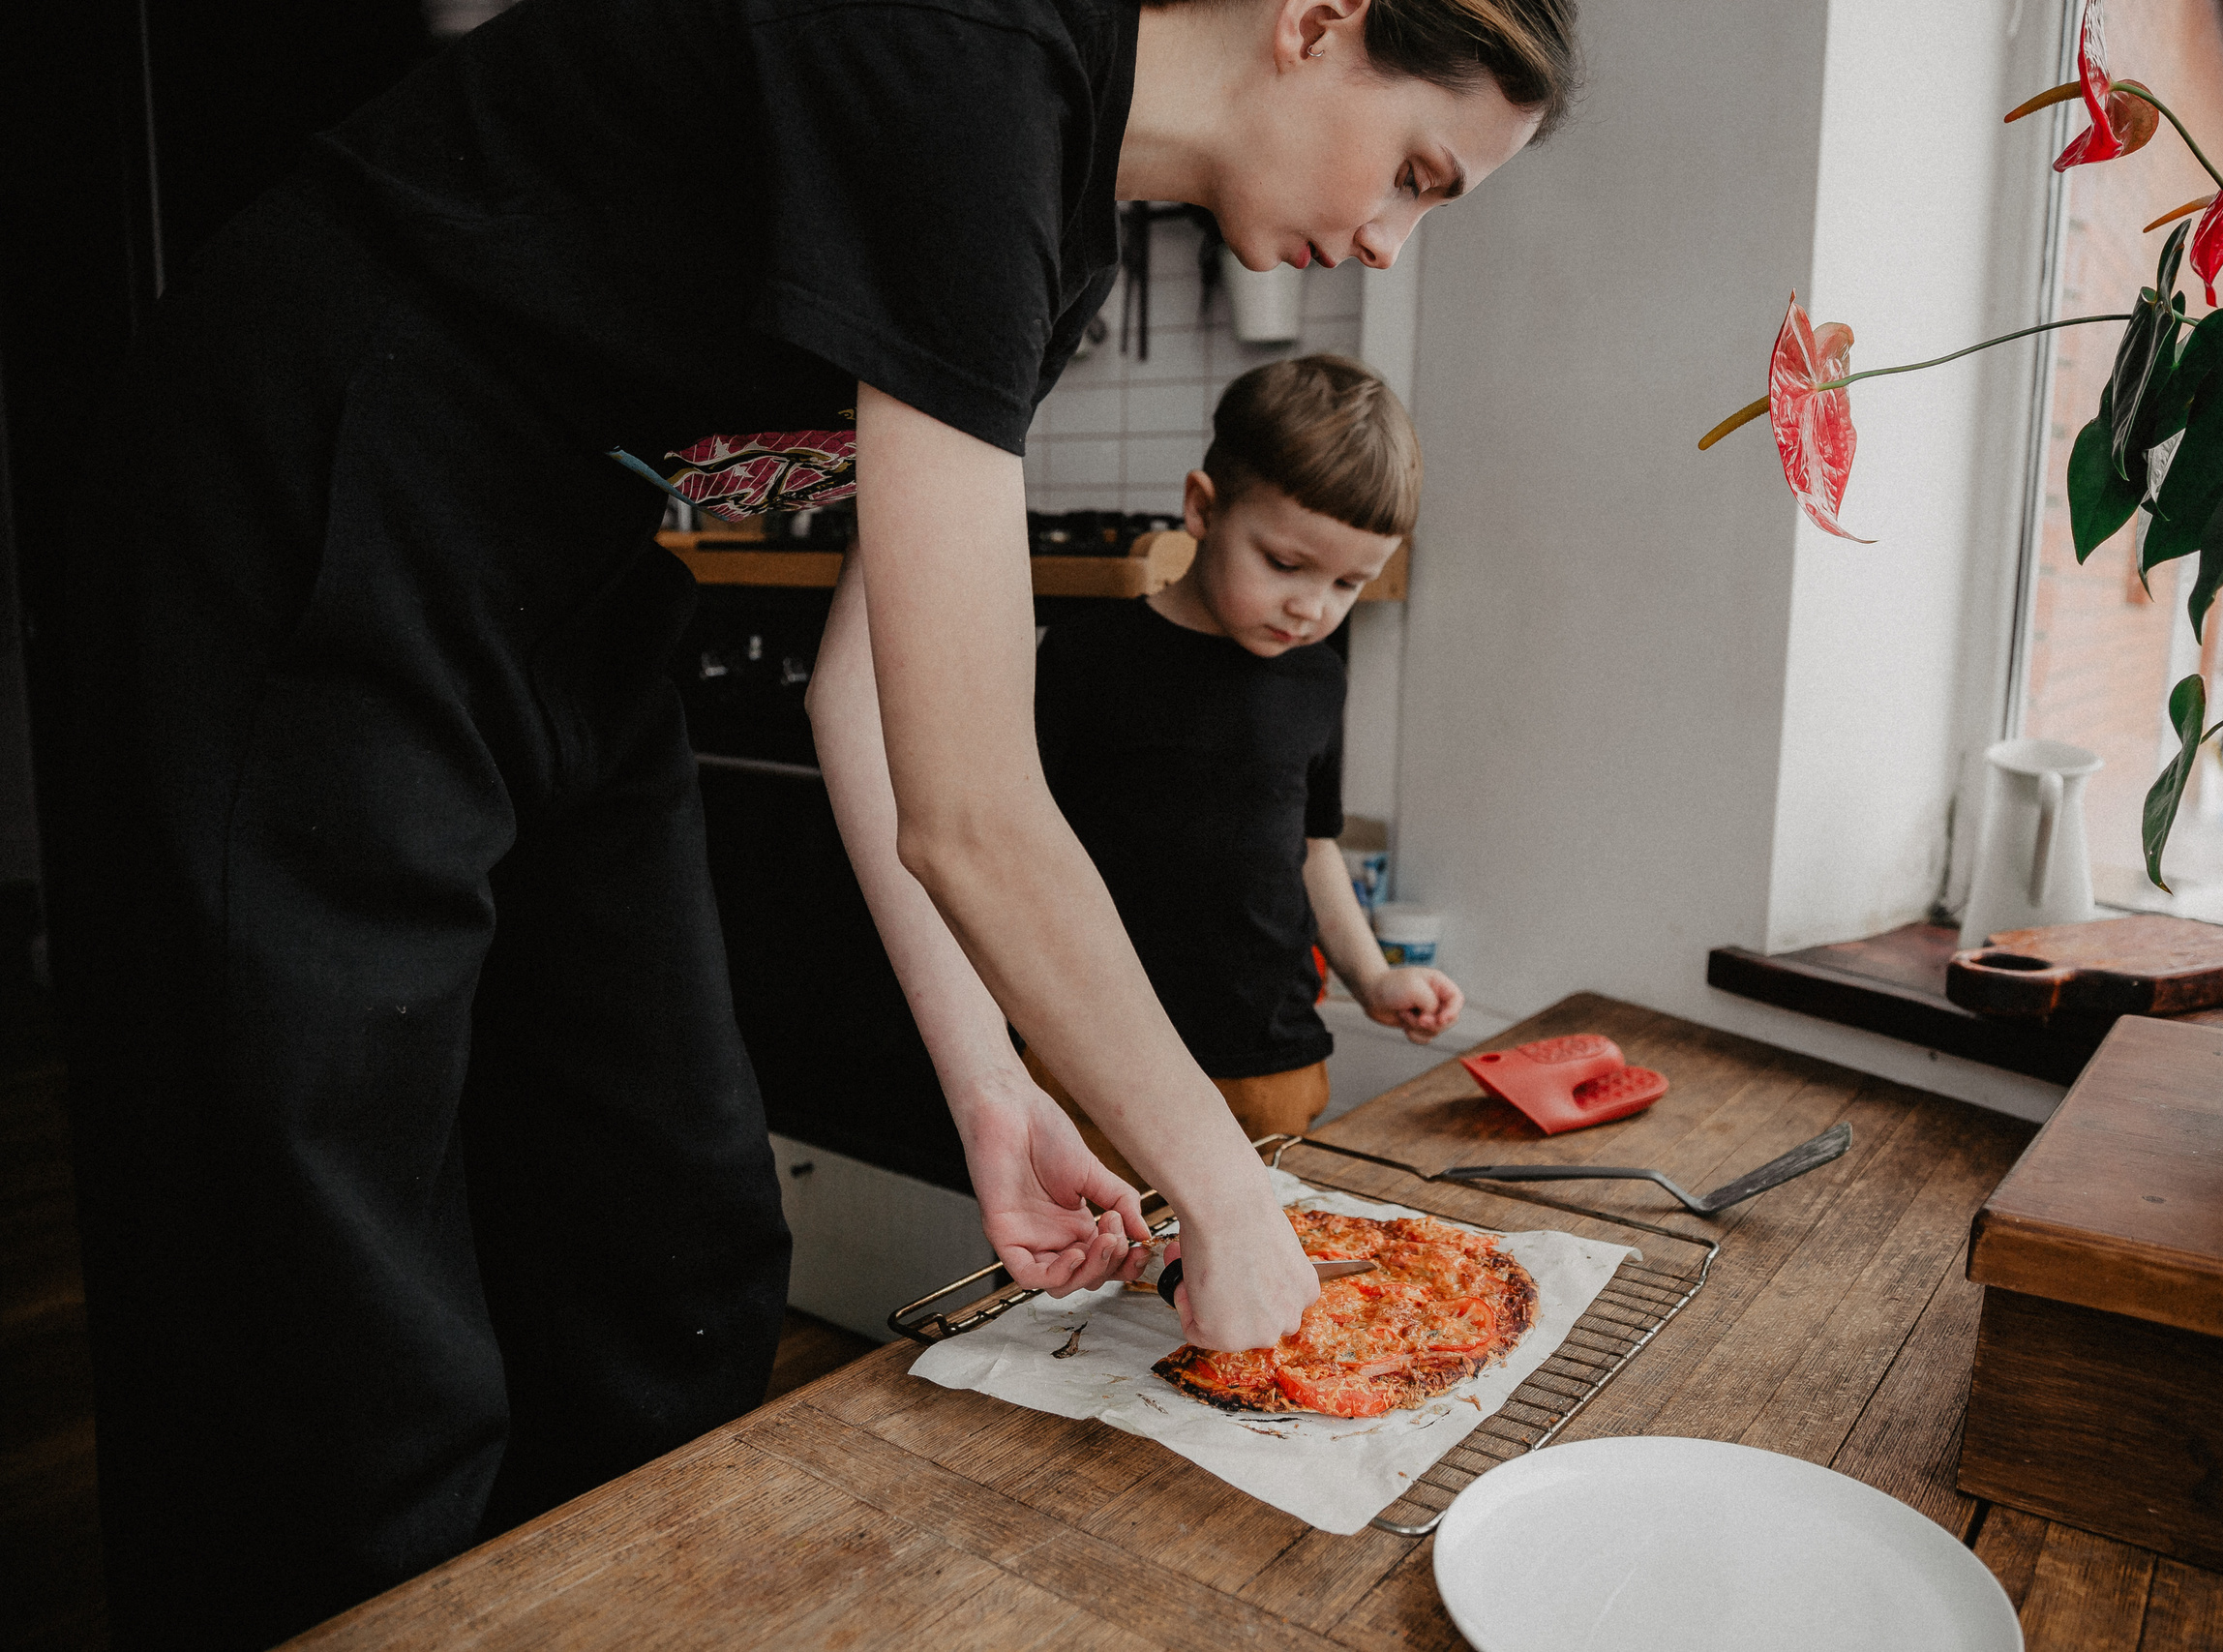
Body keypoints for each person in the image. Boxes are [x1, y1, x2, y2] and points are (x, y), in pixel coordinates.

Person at [48, 0, 1575, 1642]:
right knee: (323, 1306)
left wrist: (992, 1092)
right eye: (1417, 172)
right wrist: (1225, 1187)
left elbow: (873, 697)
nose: (1391, 244)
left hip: (568, 576)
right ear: (1319, 19)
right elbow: (978, 809)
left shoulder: (1058, 242)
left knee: (676, 1234)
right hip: (317, 479)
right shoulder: (965, 59)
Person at [1008, 355, 1464, 1182]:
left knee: (1257, 1287)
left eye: (1347, 583)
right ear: (1202, 508)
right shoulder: (1087, 657)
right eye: (1286, 565)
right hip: (1092, 1054)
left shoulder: (1319, 676)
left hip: (1267, 1059)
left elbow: (1313, 844)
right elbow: (1011, 845)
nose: (1312, 607)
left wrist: (1371, 977)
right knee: (1071, 1285)